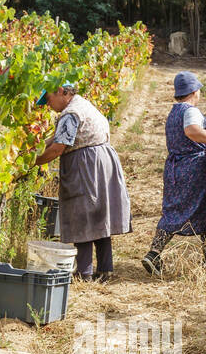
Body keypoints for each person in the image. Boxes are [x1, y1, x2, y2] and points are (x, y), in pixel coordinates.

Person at [33, 83, 132, 281]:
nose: (49, 105)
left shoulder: (70, 114)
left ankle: (83, 274)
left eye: (49, 99)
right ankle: (105, 269)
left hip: (85, 165)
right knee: (98, 215)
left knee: (82, 215)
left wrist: (32, 163)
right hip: (101, 161)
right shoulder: (82, 105)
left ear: (61, 91)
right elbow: (55, 139)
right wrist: (36, 146)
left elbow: (57, 148)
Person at [143, 71, 206, 277]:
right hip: (195, 169)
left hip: (175, 169)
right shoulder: (190, 111)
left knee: (173, 211)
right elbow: (192, 131)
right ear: (195, 91)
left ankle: (154, 253)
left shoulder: (174, 111)